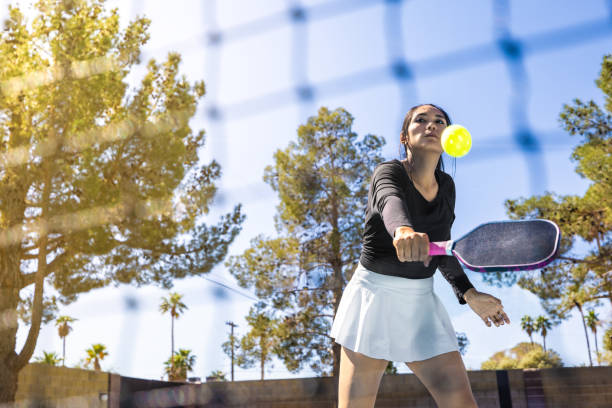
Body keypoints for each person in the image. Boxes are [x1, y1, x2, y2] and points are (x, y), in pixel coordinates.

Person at [330, 104, 511, 408]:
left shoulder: (447, 187)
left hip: (420, 305)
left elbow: (441, 248)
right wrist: (402, 230)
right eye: (421, 120)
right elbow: (390, 199)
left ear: (449, 136)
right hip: (372, 298)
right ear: (404, 136)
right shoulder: (388, 172)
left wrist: (469, 294)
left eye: (440, 121)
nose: (431, 125)